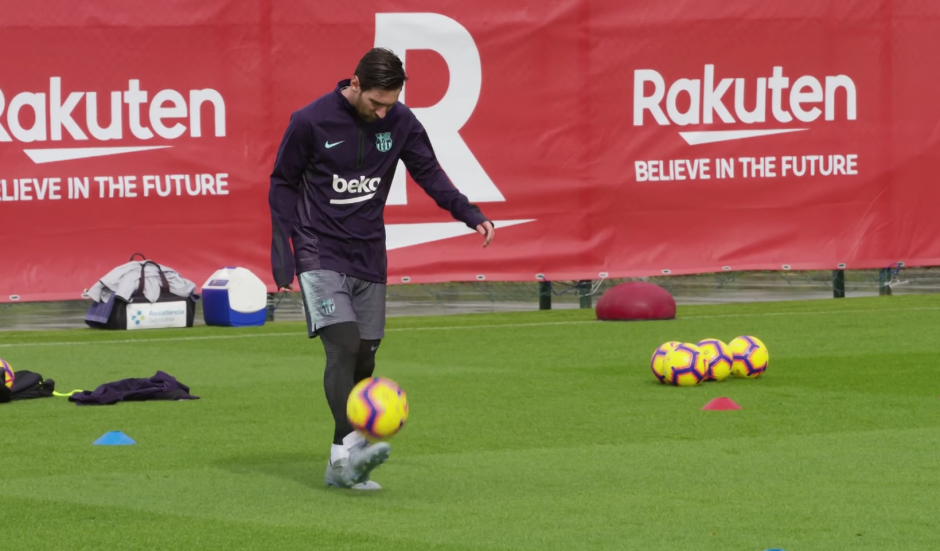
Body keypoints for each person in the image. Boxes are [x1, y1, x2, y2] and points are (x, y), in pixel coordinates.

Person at [268, 47, 495, 490]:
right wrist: (284, 250)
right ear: (354, 83)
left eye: (389, 103)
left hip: (369, 253)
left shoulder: (402, 122)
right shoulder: (310, 121)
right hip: (319, 249)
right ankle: (344, 454)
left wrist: (468, 212)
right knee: (344, 345)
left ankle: (344, 464)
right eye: (376, 102)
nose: (382, 111)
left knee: (366, 355)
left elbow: (428, 172)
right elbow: (282, 182)